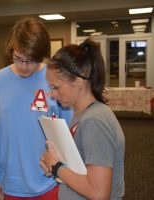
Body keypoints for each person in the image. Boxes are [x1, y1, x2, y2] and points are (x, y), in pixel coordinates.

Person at [0, 17, 73, 200]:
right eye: (18, 58)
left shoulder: (54, 80)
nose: (24, 66)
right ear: (11, 50)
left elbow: (70, 133)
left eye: (30, 61)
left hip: (50, 182)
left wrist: (63, 170)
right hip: (10, 184)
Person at [40, 38, 125, 200]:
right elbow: (81, 170)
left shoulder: (94, 121)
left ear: (79, 82)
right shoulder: (82, 115)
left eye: (56, 87)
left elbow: (99, 193)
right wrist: (56, 166)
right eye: (50, 87)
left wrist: (57, 167)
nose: (52, 94)